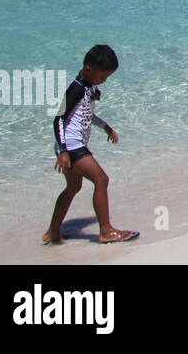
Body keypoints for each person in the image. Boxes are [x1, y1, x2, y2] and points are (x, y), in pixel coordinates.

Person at [43, 45, 138, 245]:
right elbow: (59, 118)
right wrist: (62, 150)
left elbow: (85, 114)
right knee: (101, 179)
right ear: (88, 69)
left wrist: (105, 126)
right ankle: (106, 231)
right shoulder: (77, 88)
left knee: (73, 187)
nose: (104, 80)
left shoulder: (88, 87)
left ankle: (52, 233)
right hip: (71, 146)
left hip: (73, 145)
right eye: (103, 76)